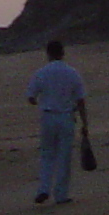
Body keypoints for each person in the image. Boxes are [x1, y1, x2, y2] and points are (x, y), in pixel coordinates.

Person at [25, 40, 87, 206]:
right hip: (66, 116)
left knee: (47, 154)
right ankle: (61, 194)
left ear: (48, 54)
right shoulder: (72, 72)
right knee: (64, 156)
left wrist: (41, 100)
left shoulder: (41, 72)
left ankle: (44, 188)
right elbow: (80, 100)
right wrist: (85, 123)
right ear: (62, 53)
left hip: (48, 116)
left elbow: (31, 97)